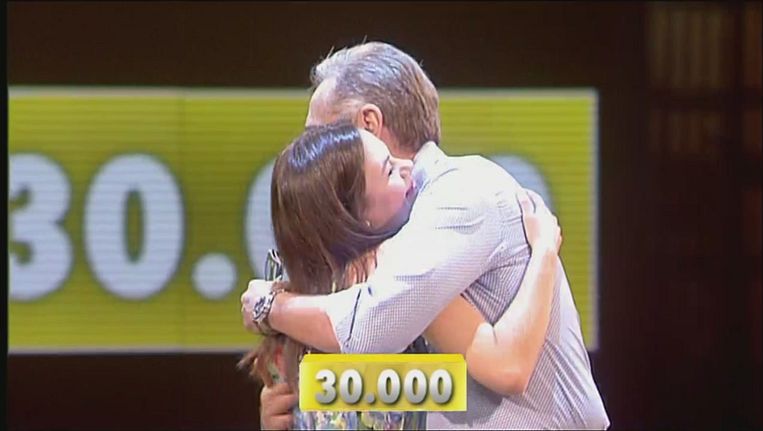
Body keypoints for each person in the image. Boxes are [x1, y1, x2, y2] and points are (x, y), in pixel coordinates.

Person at [243, 41, 609, 429]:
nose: (313, 150)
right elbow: (433, 388)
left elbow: (372, 328)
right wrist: (302, 407)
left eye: (321, 133)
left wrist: (272, 307)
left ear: (369, 124)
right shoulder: (386, 251)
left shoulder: (460, 194)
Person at [241, 121, 562, 430]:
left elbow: (434, 388)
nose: (409, 167)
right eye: (390, 170)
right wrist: (544, 252)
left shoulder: (295, 300)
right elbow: (506, 366)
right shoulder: (395, 277)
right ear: (355, 215)